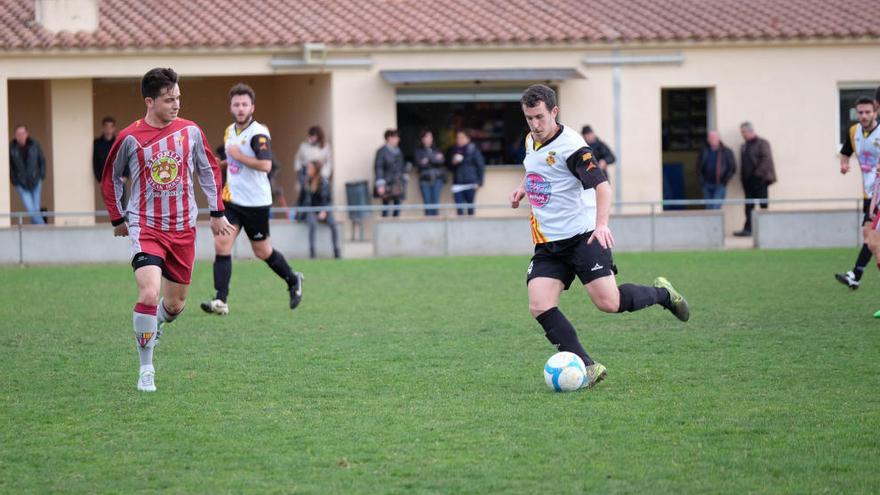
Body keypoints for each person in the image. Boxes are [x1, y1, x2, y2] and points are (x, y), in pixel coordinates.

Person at [510, 84, 689, 390]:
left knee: (609, 302)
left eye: (540, 117)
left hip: (583, 237)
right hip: (548, 241)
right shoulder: (531, 140)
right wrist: (526, 186)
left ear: (554, 112)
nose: (535, 125)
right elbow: (536, 167)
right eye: (529, 118)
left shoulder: (573, 148)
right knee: (539, 304)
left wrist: (601, 224)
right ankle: (589, 367)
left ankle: (663, 294)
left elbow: (602, 187)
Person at [101, 67, 233, 392]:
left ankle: (158, 321)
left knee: (174, 306)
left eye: (178, 98)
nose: (176, 104)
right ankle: (146, 369)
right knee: (148, 291)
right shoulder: (129, 138)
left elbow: (209, 170)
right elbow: (111, 177)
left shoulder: (190, 132)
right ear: (149, 101)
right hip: (146, 227)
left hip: (183, 229)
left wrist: (217, 212)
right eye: (169, 99)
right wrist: (118, 217)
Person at [200, 83, 304, 316]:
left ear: (252, 107)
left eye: (244, 104)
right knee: (222, 244)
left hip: (256, 203)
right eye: (236, 104)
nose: (240, 108)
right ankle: (221, 300)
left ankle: (293, 279)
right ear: (231, 107)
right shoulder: (229, 131)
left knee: (262, 251)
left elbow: (265, 165)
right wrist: (223, 163)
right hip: (232, 199)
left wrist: (237, 156)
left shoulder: (258, 133)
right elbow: (235, 160)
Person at [836, 96, 880, 289]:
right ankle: (856, 274)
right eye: (860, 112)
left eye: (867, 112)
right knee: (870, 240)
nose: (863, 116)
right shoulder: (854, 132)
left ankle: (856, 274)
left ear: (875, 111)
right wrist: (844, 164)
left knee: (874, 241)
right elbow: (845, 151)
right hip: (869, 194)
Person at [734, 122, 776, 236]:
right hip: (747, 182)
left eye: (743, 132)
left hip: (760, 181)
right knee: (748, 207)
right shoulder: (744, 146)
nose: (742, 134)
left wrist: (756, 175)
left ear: (750, 131)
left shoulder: (762, 143)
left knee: (763, 206)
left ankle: (766, 230)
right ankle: (748, 230)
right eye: (741, 132)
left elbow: (766, 160)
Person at [9, 124, 47, 224]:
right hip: (21, 184)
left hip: (36, 181)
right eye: (18, 134)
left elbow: (42, 160)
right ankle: (44, 229)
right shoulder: (12, 148)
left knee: (36, 209)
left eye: (22, 133)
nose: (20, 136)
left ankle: (37, 233)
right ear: (15, 135)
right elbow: (10, 166)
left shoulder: (35, 144)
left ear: (27, 134)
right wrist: (14, 181)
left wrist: (41, 175)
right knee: (31, 209)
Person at [303, 160, 341, 258]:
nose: (307, 170)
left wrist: (324, 211)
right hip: (311, 211)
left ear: (316, 170)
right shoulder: (306, 182)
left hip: (324, 211)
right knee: (312, 224)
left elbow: (328, 200)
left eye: (310, 168)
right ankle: (312, 254)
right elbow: (302, 200)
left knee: (333, 225)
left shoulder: (324, 182)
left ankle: (337, 252)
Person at [293, 126, 332, 219]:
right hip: (306, 175)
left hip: (319, 177)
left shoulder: (325, 147)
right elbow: (297, 161)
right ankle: (302, 215)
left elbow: (329, 162)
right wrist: (301, 174)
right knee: (304, 196)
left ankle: (321, 214)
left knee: (320, 197)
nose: (310, 138)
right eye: (310, 136)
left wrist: (323, 175)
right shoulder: (304, 146)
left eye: (313, 136)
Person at [695, 130, 736, 209]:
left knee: (715, 208)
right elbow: (698, 167)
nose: (712, 139)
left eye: (714, 137)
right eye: (710, 137)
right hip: (706, 184)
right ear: (708, 139)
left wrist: (724, 182)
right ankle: (710, 222)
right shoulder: (704, 151)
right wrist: (702, 181)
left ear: (718, 138)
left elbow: (732, 168)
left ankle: (714, 221)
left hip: (719, 185)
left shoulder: (726, 151)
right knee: (708, 208)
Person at [448, 129, 485, 216]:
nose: (459, 140)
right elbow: (448, 166)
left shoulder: (473, 150)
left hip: (470, 183)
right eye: (458, 138)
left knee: (470, 208)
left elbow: (480, 166)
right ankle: (460, 228)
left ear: (468, 139)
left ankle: (471, 227)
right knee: (459, 209)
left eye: (462, 137)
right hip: (457, 183)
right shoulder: (453, 150)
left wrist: (479, 182)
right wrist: (453, 163)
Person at [374, 129, 408, 217]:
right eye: (396, 137)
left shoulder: (399, 151)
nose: (398, 139)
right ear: (389, 138)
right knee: (385, 207)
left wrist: (404, 176)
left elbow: (401, 166)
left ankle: (395, 228)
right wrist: (380, 184)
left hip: (398, 183)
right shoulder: (382, 151)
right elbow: (379, 167)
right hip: (387, 183)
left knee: (397, 206)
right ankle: (385, 228)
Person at [414, 129, 446, 216]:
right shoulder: (418, 151)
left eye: (430, 136)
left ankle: (436, 226)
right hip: (425, 179)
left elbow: (441, 161)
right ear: (422, 139)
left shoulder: (437, 149)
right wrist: (434, 158)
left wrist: (427, 159)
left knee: (435, 203)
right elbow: (419, 164)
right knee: (427, 204)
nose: (429, 139)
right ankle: (428, 227)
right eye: (426, 137)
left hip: (437, 179)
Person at [93, 116, 117, 182]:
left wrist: (125, 176)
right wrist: (99, 179)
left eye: (111, 127)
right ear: (103, 128)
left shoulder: (119, 143)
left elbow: (125, 159)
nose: (108, 129)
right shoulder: (97, 144)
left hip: (118, 180)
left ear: (114, 128)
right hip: (104, 180)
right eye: (106, 126)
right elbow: (95, 162)